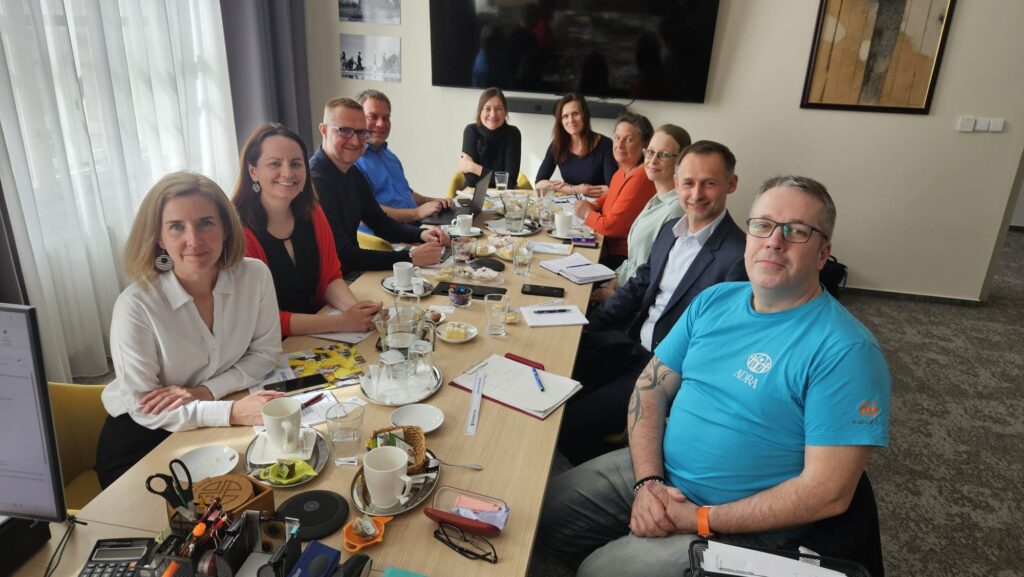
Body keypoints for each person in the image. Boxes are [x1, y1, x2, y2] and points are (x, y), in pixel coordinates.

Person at [541, 175, 892, 576]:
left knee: (600, 571)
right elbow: (650, 389)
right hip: (665, 472)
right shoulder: (714, 301)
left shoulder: (847, 352)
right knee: (544, 512)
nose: (774, 242)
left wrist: (699, 519)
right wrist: (649, 484)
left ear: (822, 253)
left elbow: (827, 494)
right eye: (762, 225)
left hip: (751, 524)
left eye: (796, 231)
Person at [559, 140, 747, 465]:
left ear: (731, 184)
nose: (696, 194)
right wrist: (590, 326)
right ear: (676, 183)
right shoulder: (670, 230)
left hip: (662, 370)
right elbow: (638, 286)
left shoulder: (738, 256)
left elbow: (719, 344)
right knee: (554, 372)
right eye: (688, 183)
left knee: (569, 421)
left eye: (710, 183)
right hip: (629, 345)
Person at [96, 171, 283, 488]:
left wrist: (206, 392)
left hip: (216, 417)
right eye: (176, 227)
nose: (194, 239)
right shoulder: (135, 305)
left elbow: (266, 353)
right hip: (144, 436)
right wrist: (230, 412)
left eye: (206, 223)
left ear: (226, 228)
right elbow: (145, 408)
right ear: (159, 238)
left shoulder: (255, 276)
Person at [232, 123, 381, 338]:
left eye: (296, 164)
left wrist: (358, 312)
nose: (287, 173)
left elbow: (330, 278)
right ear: (253, 171)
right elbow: (259, 319)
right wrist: (342, 322)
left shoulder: (313, 212)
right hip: (269, 345)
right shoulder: (237, 234)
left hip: (315, 335)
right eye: (275, 164)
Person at [310, 97, 449, 274]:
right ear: (324, 130)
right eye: (344, 131)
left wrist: (421, 234)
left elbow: (381, 223)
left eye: (361, 133)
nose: (355, 141)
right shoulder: (315, 182)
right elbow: (343, 255)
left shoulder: (352, 173)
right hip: (332, 281)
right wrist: (408, 258)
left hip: (350, 273)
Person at [591, 124, 691, 303]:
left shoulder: (675, 210)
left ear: (681, 161)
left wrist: (612, 297)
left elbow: (656, 277)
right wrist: (612, 284)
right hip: (621, 287)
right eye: (650, 152)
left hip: (629, 302)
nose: (653, 160)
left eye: (664, 155)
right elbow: (633, 263)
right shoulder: (657, 198)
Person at [354, 89, 455, 225]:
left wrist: (434, 201)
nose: (381, 124)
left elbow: (407, 194)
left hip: (417, 226)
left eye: (386, 118)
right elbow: (364, 213)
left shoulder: (390, 156)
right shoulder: (352, 162)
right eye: (372, 117)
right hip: (388, 236)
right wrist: (416, 213)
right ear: (356, 119)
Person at [573, 112, 656, 270]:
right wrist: (594, 205)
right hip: (605, 246)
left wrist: (586, 214)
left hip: (623, 260)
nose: (619, 145)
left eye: (628, 139)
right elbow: (611, 196)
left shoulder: (640, 177)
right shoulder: (623, 170)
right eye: (617, 138)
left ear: (644, 145)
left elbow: (610, 227)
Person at [535, 93, 616, 196]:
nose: (571, 120)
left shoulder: (606, 145)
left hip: (598, 203)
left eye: (575, 114)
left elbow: (612, 189)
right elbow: (539, 183)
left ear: (585, 115)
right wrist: (572, 190)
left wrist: (566, 188)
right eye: (565, 116)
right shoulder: (557, 145)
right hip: (569, 203)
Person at [458, 87, 522, 189]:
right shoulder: (471, 131)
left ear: (505, 111)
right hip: (474, 195)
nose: (492, 115)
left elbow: (510, 182)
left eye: (498, 109)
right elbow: (471, 181)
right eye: (487, 109)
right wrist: (499, 178)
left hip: (504, 195)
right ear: (480, 111)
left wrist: (472, 167)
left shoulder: (513, 133)